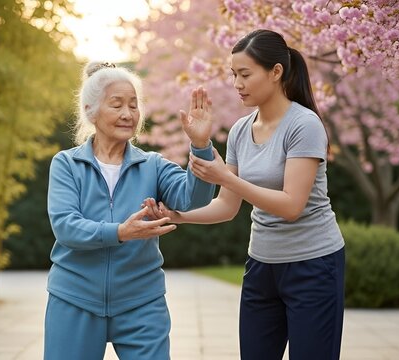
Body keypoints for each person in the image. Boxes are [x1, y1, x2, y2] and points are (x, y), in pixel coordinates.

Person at [143, 29, 345, 360]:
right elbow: (226, 206)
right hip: (261, 267)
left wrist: (226, 177)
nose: (237, 83)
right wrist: (177, 215)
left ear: (276, 72)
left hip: (314, 265)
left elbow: (291, 206)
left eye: (245, 74)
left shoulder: (303, 125)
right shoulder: (239, 130)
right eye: (233, 74)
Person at [44, 61, 216, 360]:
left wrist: (200, 146)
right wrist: (121, 232)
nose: (128, 114)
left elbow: (194, 198)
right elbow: (66, 226)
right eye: (117, 105)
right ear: (90, 111)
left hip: (142, 302)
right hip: (74, 299)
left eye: (134, 105)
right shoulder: (66, 164)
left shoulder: (153, 165)